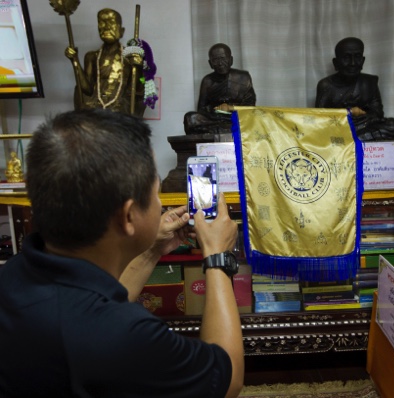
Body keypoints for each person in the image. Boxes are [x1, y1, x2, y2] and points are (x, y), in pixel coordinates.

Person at [0, 109, 244, 397]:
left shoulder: (12, 275)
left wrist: (150, 250)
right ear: (128, 217)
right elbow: (227, 378)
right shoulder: (126, 336)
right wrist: (217, 257)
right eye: (157, 193)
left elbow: (94, 305)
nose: (159, 202)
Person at [315, 37, 394, 142]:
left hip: (362, 127)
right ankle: (354, 142)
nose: (353, 63)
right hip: (338, 129)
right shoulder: (326, 85)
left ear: (363, 60)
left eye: (357, 57)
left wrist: (368, 117)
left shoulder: (369, 82)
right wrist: (346, 113)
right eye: (347, 58)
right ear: (336, 63)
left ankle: (350, 143)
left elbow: (378, 111)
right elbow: (319, 119)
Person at [65, 8, 146, 117]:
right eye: (102, 23)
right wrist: (74, 60)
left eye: (111, 23)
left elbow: (137, 89)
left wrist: (139, 68)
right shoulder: (92, 56)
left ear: (121, 31)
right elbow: (86, 90)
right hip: (96, 105)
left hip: (120, 107)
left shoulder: (130, 56)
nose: (106, 27)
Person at [184, 43, 256, 135]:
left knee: (258, 118)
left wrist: (231, 108)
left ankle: (223, 130)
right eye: (215, 60)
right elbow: (201, 109)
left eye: (223, 58)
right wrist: (215, 110)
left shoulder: (243, 77)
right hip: (215, 118)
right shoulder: (207, 81)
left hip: (238, 117)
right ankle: (227, 130)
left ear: (231, 60)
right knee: (190, 118)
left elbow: (250, 107)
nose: (220, 63)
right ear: (210, 63)